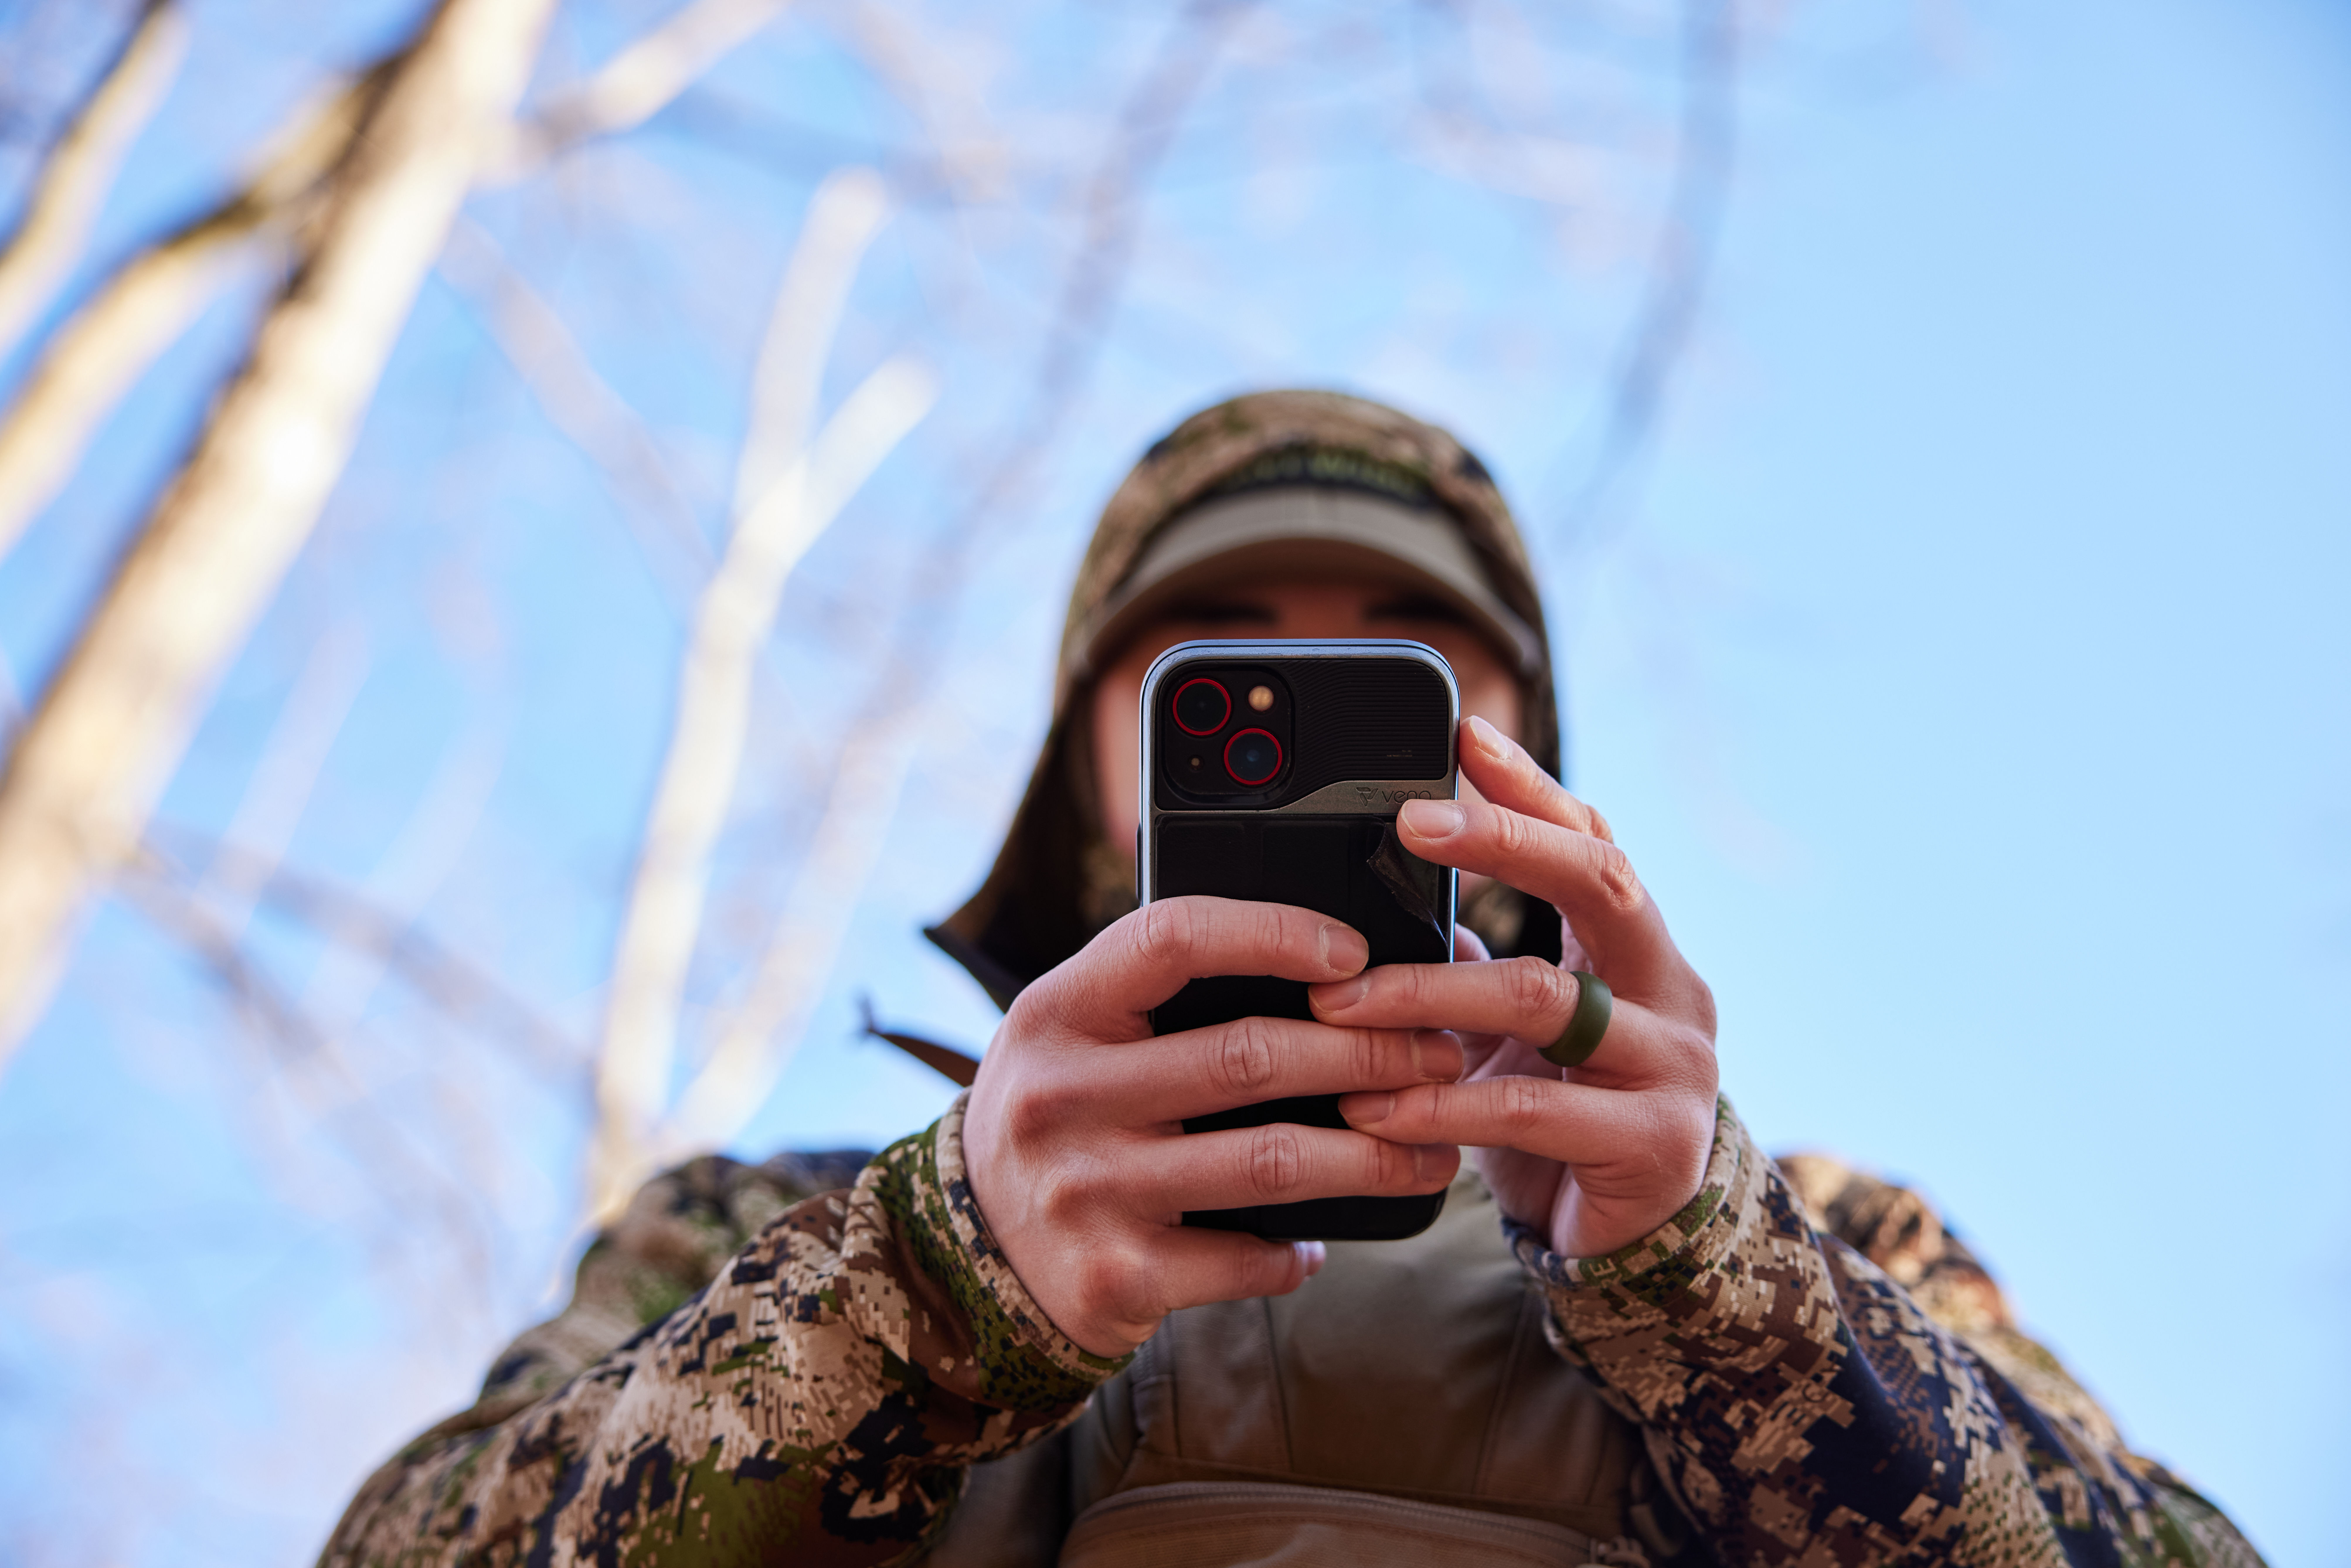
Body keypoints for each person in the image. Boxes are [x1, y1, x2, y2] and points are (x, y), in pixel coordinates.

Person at [319, 392, 2260, 1567]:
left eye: (1413, 650)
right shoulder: (770, 1228)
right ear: (1095, 759)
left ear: (1525, 752)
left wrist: (1728, 1293)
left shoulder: (1829, 1237)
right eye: (1215, 652)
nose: (1308, 699)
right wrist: (929, 1281)